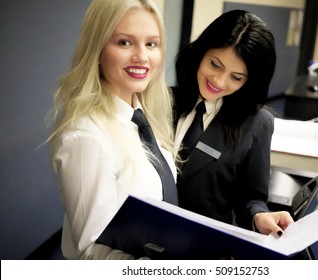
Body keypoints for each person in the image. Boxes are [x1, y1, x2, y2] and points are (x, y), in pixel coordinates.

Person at [47, 0, 176, 259]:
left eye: (151, 43)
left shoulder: (144, 118)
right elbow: (92, 252)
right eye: (124, 42)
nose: (142, 56)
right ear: (96, 50)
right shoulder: (86, 138)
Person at [173, 10, 294, 237]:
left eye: (236, 77)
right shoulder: (162, 100)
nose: (219, 81)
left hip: (202, 250)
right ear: (201, 52)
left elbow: (251, 197)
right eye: (215, 65)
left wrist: (259, 215)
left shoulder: (257, 123)